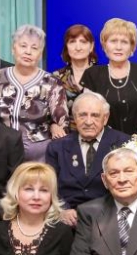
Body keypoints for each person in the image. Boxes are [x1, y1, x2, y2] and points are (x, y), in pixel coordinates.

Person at [45, 91, 130, 225]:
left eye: (95, 115)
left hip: (111, 217)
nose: (88, 122)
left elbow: (129, 186)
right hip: (68, 219)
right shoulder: (57, 147)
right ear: (74, 117)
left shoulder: (124, 143)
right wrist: (62, 210)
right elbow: (49, 186)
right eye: (82, 115)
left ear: (105, 118)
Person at [0, 24, 68, 162]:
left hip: (39, 157)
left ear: (40, 54)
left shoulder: (52, 83)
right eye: (23, 46)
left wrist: (54, 126)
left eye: (34, 48)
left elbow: (61, 123)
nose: (28, 52)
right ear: (13, 49)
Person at [80, 18, 137, 135]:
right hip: (104, 140)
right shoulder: (92, 74)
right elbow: (87, 112)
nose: (118, 47)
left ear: (132, 47)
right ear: (104, 45)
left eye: (124, 42)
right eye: (113, 41)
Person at [52, 24, 97, 103]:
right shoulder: (56, 78)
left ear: (91, 46)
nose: (78, 48)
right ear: (66, 47)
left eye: (83, 42)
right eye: (72, 42)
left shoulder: (102, 75)